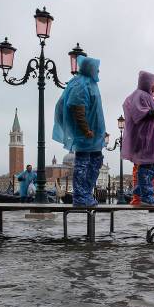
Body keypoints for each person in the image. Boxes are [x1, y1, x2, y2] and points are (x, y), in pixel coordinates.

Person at [53, 56, 106, 207]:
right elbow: (78, 108)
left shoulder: (90, 83)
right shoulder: (81, 84)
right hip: (86, 135)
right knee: (83, 163)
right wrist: (85, 130)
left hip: (94, 135)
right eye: (96, 68)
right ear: (90, 68)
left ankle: (86, 193)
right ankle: (80, 196)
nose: (98, 71)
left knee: (96, 161)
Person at [122, 71, 154, 207]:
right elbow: (138, 113)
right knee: (146, 165)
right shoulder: (139, 95)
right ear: (147, 83)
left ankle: (140, 187)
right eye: (153, 84)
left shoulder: (148, 97)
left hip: (153, 138)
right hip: (144, 138)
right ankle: (147, 196)